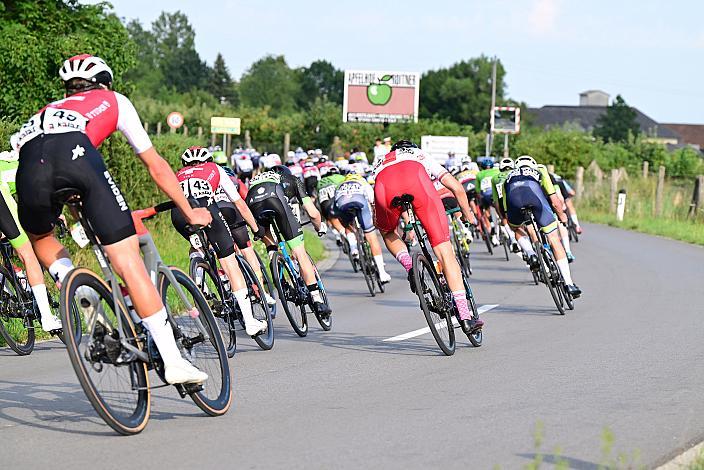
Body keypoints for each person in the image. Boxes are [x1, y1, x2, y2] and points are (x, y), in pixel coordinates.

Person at [13, 54, 210, 384]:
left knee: (42, 240)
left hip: (29, 167)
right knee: (127, 261)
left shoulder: (45, 112)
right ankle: (174, 361)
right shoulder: (112, 100)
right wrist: (190, 211)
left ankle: (76, 286)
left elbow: (46, 168)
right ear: (105, 81)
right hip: (77, 159)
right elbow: (156, 165)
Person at [373, 140, 483, 335]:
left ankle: (410, 266)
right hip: (416, 183)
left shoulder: (381, 161)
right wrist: (469, 215)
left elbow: (376, 207)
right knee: (445, 253)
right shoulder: (420, 154)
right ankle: (465, 317)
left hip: (384, 184)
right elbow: (456, 188)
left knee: (387, 231)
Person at [172, 147, 268, 336]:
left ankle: (199, 278)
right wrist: (257, 229)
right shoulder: (215, 169)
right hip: (206, 211)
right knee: (230, 263)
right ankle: (250, 321)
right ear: (208, 160)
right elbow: (239, 203)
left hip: (179, 215)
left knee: (196, 245)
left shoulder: (177, 175)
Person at [245, 165, 332, 317]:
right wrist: (319, 227)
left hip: (253, 203)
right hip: (276, 200)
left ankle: (279, 274)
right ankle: (317, 300)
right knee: (299, 252)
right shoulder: (292, 179)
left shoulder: (257, 179)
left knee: (270, 244)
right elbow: (312, 213)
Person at [500, 156, 581, 297]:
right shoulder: (541, 169)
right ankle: (569, 284)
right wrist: (562, 216)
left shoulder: (508, 176)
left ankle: (531, 254)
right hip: (534, 197)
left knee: (516, 228)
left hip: (513, 201)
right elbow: (555, 200)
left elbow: (505, 209)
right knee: (554, 239)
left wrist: (511, 222)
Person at [0, 149, 61, 332]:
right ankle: (47, 317)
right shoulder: (29, 166)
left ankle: (5, 291)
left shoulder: (12, 159)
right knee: (28, 253)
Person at [212, 151, 277, 307]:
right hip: (234, 215)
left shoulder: (207, 179)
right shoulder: (234, 179)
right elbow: (246, 202)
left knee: (220, 253)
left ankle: (224, 282)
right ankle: (261, 291)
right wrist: (256, 228)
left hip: (213, 217)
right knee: (247, 250)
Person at [334, 173, 392, 283]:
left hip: (342, 203)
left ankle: (353, 248)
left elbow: (335, 207)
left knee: (348, 226)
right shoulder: (363, 182)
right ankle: (382, 272)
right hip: (359, 202)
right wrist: (374, 219)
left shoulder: (340, 184)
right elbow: (373, 203)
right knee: (371, 237)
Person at [317, 166, 346, 245]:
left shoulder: (321, 181)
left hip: (324, 203)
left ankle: (337, 236)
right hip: (335, 200)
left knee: (329, 220)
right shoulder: (341, 177)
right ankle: (349, 237)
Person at [475, 157, 500, 246]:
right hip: (497, 194)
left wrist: (480, 201)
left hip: (486, 196)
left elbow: (478, 191)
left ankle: (491, 225)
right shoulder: (497, 171)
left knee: (486, 210)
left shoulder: (479, 174)